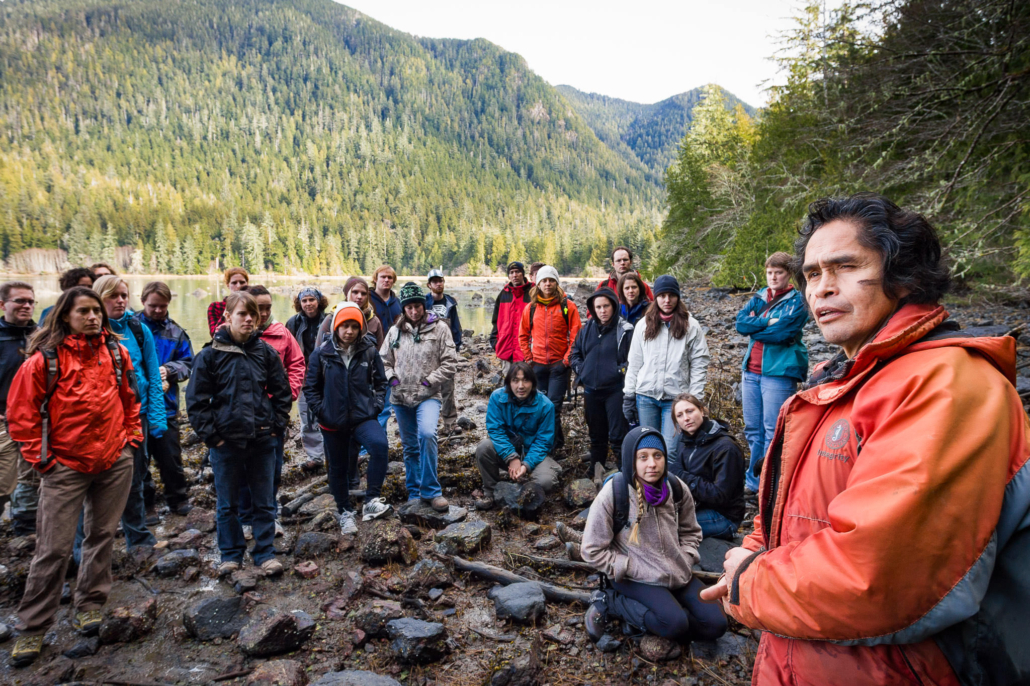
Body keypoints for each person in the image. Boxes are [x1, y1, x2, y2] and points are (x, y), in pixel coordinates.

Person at [701, 194, 1030, 685]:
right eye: (811, 274)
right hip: (809, 655)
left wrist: (749, 580)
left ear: (901, 273)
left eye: (845, 266)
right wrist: (751, 551)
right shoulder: (847, 379)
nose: (822, 289)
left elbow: (877, 578)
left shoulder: (945, 383)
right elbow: (791, 512)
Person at [6, 287, 143, 667]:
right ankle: (33, 627)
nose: (93, 317)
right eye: (83, 311)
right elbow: (22, 415)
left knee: (102, 536)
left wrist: (131, 438)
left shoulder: (116, 353)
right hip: (65, 466)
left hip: (114, 458)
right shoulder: (43, 361)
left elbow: (130, 399)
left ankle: (90, 603)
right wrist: (44, 460)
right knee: (53, 547)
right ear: (65, 315)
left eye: (96, 311)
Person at [580, 427, 727, 654]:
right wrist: (625, 566)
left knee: (717, 624)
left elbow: (691, 531)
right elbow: (591, 549)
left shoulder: (676, 488)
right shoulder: (615, 492)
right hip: (632, 575)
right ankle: (609, 601)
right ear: (631, 459)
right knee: (675, 624)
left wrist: (686, 557)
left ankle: (659, 616)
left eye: (658, 456)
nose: (652, 464)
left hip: (675, 570)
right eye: (643, 457)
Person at [186, 291, 291, 579]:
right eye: (242, 314)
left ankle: (265, 553)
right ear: (227, 317)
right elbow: (196, 401)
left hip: (262, 439)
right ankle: (231, 555)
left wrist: (275, 427)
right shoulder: (209, 355)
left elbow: (282, 393)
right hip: (226, 442)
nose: (248, 319)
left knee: (264, 500)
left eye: (253, 315)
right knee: (227, 503)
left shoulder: (265, 352)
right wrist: (213, 437)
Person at [80, 275, 165, 549]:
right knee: (88, 484)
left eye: (124, 295)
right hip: (97, 421)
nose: (120, 300)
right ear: (97, 299)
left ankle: (137, 537)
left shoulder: (138, 329)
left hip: (135, 417)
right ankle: (84, 548)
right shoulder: (83, 331)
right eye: (113, 295)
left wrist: (156, 418)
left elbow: (151, 374)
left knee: (134, 478)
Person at [303, 302, 391, 533]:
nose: (349, 331)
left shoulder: (369, 351)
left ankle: (372, 500)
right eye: (344, 326)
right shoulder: (322, 353)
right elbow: (310, 388)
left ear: (361, 328)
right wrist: (322, 411)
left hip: (363, 417)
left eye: (354, 326)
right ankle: (345, 511)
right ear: (336, 327)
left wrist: (376, 405)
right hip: (332, 421)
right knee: (338, 467)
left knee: (380, 446)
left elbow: (381, 383)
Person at [380, 282, 459, 512]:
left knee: (427, 434)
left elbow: (450, 361)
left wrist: (430, 380)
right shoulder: (395, 330)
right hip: (400, 397)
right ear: (403, 309)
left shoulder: (440, 328)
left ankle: (432, 491)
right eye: (409, 308)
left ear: (423, 305)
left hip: (428, 395)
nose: (413, 312)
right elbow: (383, 360)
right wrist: (391, 378)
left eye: (417, 306)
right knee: (410, 446)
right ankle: (414, 491)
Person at [734, 252, 809, 493]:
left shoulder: (798, 301)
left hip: (778, 373)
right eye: (769, 272)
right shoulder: (759, 297)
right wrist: (767, 322)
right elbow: (740, 324)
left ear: (789, 275)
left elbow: (783, 334)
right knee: (753, 429)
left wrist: (756, 328)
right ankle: (755, 480)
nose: (773, 277)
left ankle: (771, 482)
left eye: (779, 272)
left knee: (773, 430)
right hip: (751, 371)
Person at [239, 284, 305, 539]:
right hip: (242, 415)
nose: (264, 313)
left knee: (272, 467)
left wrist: (289, 394)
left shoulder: (282, 333)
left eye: (268, 307)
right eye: (259, 308)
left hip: (273, 414)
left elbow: (297, 363)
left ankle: (269, 516)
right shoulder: (232, 333)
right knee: (244, 469)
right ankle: (245, 518)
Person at [623, 275, 710, 457]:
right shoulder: (643, 325)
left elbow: (699, 364)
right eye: (662, 295)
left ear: (678, 297)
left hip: (676, 399)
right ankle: (650, 486)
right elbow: (635, 362)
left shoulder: (691, 326)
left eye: (671, 295)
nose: (667, 300)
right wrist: (629, 394)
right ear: (656, 297)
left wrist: (694, 398)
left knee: (670, 451)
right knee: (649, 449)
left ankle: (669, 486)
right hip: (646, 396)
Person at [136, 281, 194, 516]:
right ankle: (146, 505)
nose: (158, 310)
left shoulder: (176, 332)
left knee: (171, 458)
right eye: (153, 306)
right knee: (139, 461)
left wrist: (170, 370)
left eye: (163, 306)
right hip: (136, 408)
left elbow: (189, 364)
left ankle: (178, 500)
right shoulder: (132, 328)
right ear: (143, 302)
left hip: (167, 407)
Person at [473, 361, 560, 510]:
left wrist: (526, 465)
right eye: (515, 380)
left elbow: (543, 442)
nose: (521, 386)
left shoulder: (546, 406)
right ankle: (491, 492)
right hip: (507, 451)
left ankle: (524, 486)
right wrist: (512, 458)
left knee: (546, 481)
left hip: (534, 454)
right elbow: (495, 430)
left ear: (533, 383)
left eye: (525, 380)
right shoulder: (497, 398)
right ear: (508, 383)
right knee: (484, 448)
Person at [569, 288, 633, 482]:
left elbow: (633, 359)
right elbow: (574, 353)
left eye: (606, 306)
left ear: (614, 306)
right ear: (593, 309)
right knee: (596, 435)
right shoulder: (587, 329)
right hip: (591, 390)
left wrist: (618, 371)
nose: (603, 310)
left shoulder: (625, 330)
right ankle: (595, 473)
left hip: (615, 390)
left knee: (617, 436)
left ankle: (627, 475)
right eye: (598, 307)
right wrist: (582, 369)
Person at [518, 265, 581, 452]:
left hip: (558, 366)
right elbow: (523, 335)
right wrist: (529, 359)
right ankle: (556, 442)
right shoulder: (531, 308)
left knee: (553, 407)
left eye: (551, 280)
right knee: (539, 406)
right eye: (544, 280)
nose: (547, 284)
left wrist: (566, 360)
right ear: (538, 284)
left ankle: (551, 449)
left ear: (556, 283)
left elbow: (576, 335)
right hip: (536, 365)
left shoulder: (567, 306)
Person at [668, 394, 743, 541]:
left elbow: (720, 496)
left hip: (724, 517)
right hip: (695, 507)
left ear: (702, 411)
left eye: (690, 411)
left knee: (664, 526)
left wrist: (681, 476)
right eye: (680, 415)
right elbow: (677, 470)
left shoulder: (726, 448)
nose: (686, 418)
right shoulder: (685, 441)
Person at [0, 282, 37, 521]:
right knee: (2, 484)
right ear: (3, 304)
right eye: (20, 301)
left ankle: (26, 528)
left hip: (36, 420)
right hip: (3, 421)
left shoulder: (41, 335)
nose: (26, 306)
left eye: (30, 301)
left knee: (34, 478)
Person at [286, 287, 329, 468]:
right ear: (299, 303)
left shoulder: (329, 320)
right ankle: (315, 457)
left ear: (319, 301)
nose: (308, 304)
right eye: (304, 301)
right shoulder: (293, 323)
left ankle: (333, 454)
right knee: (307, 418)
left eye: (311, 300)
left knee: (330, 415)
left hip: (327, 376)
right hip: (303, 377)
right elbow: (287, 350)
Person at [426, 269, 463, 435]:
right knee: (427, 387)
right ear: (429, 285)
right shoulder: (423, 303)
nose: (438, 284)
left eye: (440, 280)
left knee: (448, 388)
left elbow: (456, 327)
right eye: (434, 281)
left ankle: (450, 422)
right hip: (427, 352)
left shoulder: (450, 303)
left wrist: (457, 346)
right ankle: (429, 424)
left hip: (447, 351)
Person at [490, 261, 533, 375]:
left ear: (523, 274)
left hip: (526, 352)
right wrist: (495, 342)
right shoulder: (504, 294)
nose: (515, 275)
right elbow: (495, 321)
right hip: (506, 349)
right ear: (508, 276)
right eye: (511, 272)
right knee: (509, 386)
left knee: (526, 385)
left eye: (517, 272)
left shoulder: (532, 293)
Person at [207, 267, 249, 337]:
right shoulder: (215, 307)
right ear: (227, 285)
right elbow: (214, 334)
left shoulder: (253, 305)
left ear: (247, 283)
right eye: (234, 283)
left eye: (242, 282)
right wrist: (230, 307)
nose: (238, 286)